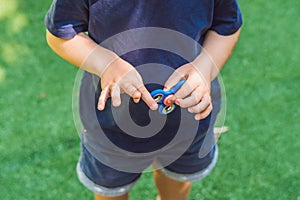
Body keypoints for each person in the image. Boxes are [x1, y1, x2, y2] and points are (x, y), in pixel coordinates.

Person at [45, 1, 242, 199]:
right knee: (112, 190)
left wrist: (204, 67)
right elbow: (62, 33)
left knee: (177, 184)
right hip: (110, 125)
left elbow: (226, 25)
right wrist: (106, 63)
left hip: (190, 118)